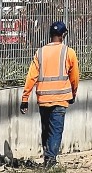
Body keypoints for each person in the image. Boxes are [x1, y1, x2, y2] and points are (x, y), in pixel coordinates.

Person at [21, 20, 79, 170]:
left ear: (50, 34)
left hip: (43, 99)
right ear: (64, 34)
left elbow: (31, 77)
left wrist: (25, 99)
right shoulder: (69, 52)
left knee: (46, 130)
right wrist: (73, 94)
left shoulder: (40, 52)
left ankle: (48, 159)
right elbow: (74, 77)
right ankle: (51, 162)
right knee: (56, 131)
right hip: (60, 99)